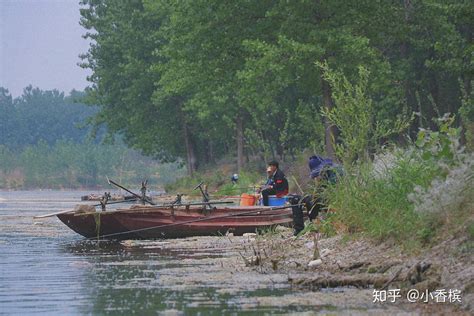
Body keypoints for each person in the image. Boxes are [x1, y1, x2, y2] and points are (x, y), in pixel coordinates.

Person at [289, 155, 343, 235]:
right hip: (324, 199)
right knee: (296, 199)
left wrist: (317, 192)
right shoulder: (326, 171)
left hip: (332, 200)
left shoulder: (334, 172)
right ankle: (300, 229)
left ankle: (314, 223)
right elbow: (319, 191)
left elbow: (331, 192)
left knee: (315, 201)